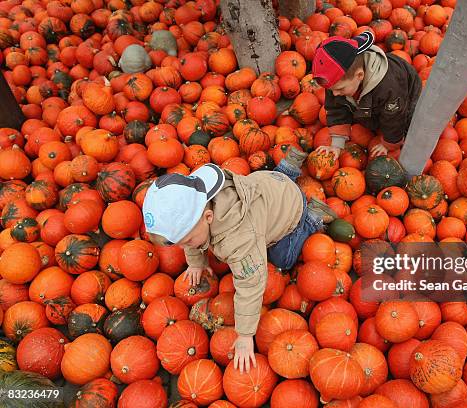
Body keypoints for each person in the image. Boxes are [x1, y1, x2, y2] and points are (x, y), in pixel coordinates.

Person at [141, 150, 336, 373]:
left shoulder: (239, 239)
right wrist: (196, 262)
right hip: (270, 184)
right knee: (272, 190)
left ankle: (311, 219)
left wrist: (245, 334)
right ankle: (287, 170)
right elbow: (190, 237)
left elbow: (251, 284)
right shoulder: (201, 196)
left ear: (208, 218)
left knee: (282, 259)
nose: (186, 247)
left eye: (188, 241)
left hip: (290, 208)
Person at [312, 30, 422, 159]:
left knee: (408, 119)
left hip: (405, 95)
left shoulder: (389, 88)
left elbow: (394, 118)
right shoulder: (336, 82)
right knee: (351, 106)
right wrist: (336, 144)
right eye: (331, 90)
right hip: (372, 94)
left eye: (340, 89)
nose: (335, 93)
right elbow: (336, 109)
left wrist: (389, 144)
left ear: (359, 75)